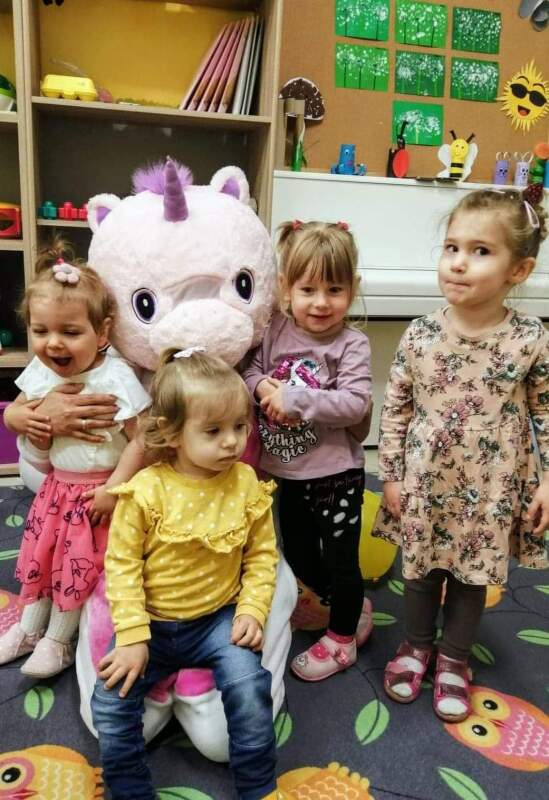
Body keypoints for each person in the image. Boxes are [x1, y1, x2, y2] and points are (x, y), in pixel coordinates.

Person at [374, 187, 549, 723]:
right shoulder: (421, 334)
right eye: (451, 247)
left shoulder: (530, 338)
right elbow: (396, 408)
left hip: (490, 486)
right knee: (421, 571)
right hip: (426, 480)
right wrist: (390, 475)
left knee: (472, 577)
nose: (458, 262)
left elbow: (546, 413)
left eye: (480, 251)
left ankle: (454, 657)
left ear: (519, 270)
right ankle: (416, 644)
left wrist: (547, 480)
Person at [91, 348, 283, 800]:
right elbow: (121, 565)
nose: (232, 442)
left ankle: (259, 787)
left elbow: (262, 555)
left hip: (217, 619)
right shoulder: (145, 490)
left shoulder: (246, 483)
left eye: (240, 426)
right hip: (152, 623)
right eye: (213, 431)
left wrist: (252, 610)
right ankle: (130, 791)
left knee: (250, 687)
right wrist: (132, 635)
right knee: (110, 702)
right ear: (173, 433)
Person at [0, 240, 150, 678]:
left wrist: (115, 489)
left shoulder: (115, 376)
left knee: (75, 564)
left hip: (95, 495)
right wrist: (17, 417)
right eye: (40, 330)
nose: (53, 343)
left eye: (70, 332)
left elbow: (141, 439)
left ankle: (59, 640)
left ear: (102, 333)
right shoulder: (41, 372)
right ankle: (29, 628)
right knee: (44, 556)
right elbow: (14, 413)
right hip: (56, 489)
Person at [242, 220, 373, 682]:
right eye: (308, 289)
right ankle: (348, 603)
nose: (321, 302)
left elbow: (355, 403)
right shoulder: (274, 329)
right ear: (285, 287)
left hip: (336, 475)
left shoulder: (351, 343)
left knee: (341, 559)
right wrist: (263, 388)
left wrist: (296, 399)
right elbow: (249, 371)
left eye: (334, 290)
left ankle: (342, 638)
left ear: (353, 288)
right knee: (297, 553)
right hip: (286, 471)